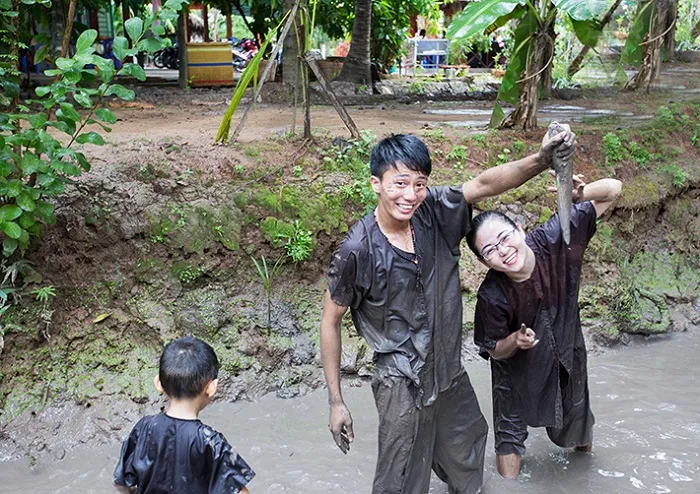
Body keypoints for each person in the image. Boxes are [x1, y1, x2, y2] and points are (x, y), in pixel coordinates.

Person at [320, 129, 576, 494]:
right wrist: (336, 402)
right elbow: (330, 322)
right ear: (376, 183)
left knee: (469, 454)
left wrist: (542, 160)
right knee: (401, 480)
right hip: (401, 385)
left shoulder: (433, 213)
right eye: (400, 183)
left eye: (420, 184)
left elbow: (484, 184)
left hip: (449, 376)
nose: (410, 195)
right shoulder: (356, 251)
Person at [468, 173, 622, 479]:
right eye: (490, 251)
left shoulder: (556, 237)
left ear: (521, 230)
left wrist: (579, 195)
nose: (503, 251)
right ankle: (509, 486)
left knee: (577, 420)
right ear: (484, 263)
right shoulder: (492, 296)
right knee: (510, 432)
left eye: (504, 238)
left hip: (567, 349)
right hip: (516, 370)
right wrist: (514, 340)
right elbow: (494, 349)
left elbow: (613, 189)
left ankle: (583, 477)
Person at [114, 336, 255, 494]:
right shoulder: (211, 442)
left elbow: (122, 482)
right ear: (211, 387)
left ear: (158, 383)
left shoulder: (144, 427)